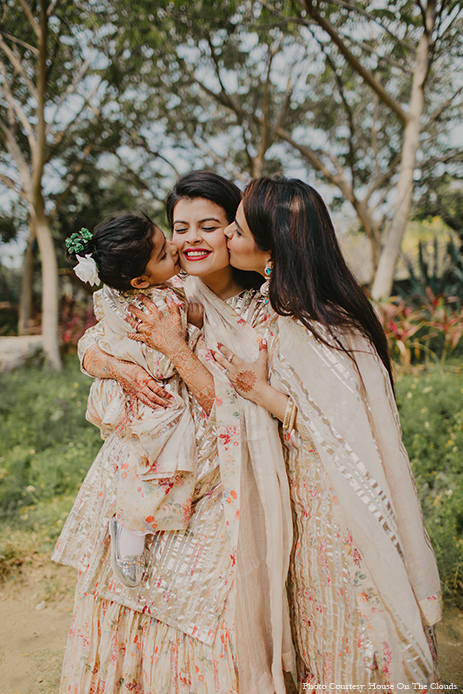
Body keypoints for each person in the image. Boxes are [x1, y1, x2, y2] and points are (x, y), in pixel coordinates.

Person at [52, 172, 294, 694]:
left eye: (209, 226)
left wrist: (175, 350)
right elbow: (94, 341)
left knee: (203, 608)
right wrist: (119, 368)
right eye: (179, 227)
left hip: (217, 482)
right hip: (143, 465)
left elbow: (242, 406)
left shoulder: (262, 308)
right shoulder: (164, 289)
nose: (190, 240)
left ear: (237, 229)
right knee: (126, 597)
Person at [210, 175, 442, 692]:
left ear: (274, 244)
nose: (226, 233)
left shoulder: (312, 322)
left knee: (352, 633)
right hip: (310, 506)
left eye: (237, 227)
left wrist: (261, 393)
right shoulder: (290, 307)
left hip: (338, 515)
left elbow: (342, 438)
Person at [64, 213, 215, 589]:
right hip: (157, 404)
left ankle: (131, 534)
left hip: (142, 405)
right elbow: (162, 363)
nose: (177, 249)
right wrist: (189, 332)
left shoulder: (116, 294)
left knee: (148, 468)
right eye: (166, 251)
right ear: (141, 280)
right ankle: (130, 532)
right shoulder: (159, 303)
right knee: (158, 469)